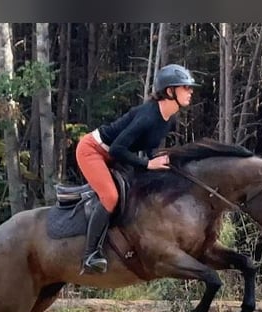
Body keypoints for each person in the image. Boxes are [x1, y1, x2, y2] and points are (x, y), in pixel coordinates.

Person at [75, 63, 198, 274]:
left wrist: (165, 164)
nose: (191, 91)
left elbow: (150, 147)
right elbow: (117, 148)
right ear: (170, 91)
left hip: (115, 154)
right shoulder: (148, 116)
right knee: (111, 197)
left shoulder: (168, 118)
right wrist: (148, 164)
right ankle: (90, 255)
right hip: (92, 150)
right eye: (185, 87)